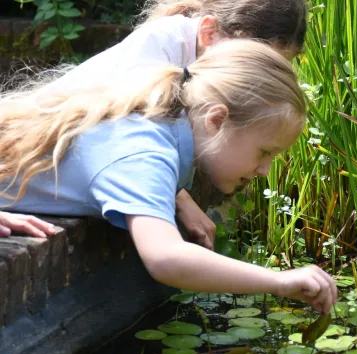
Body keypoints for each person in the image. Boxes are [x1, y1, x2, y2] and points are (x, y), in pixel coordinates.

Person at [0, 39, 337, 314]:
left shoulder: (158, 122)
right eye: (265, 152)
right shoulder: (145, 154)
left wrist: (176, 195)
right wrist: (278, 281)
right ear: (216, 120)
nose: (265, 170)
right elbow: (165, 258)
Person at [0, 0, 309, 248]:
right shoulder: (162, 45)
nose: (258, 75)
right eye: (253, 56)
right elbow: (134, 136)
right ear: (209, 32)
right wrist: (179, 201)